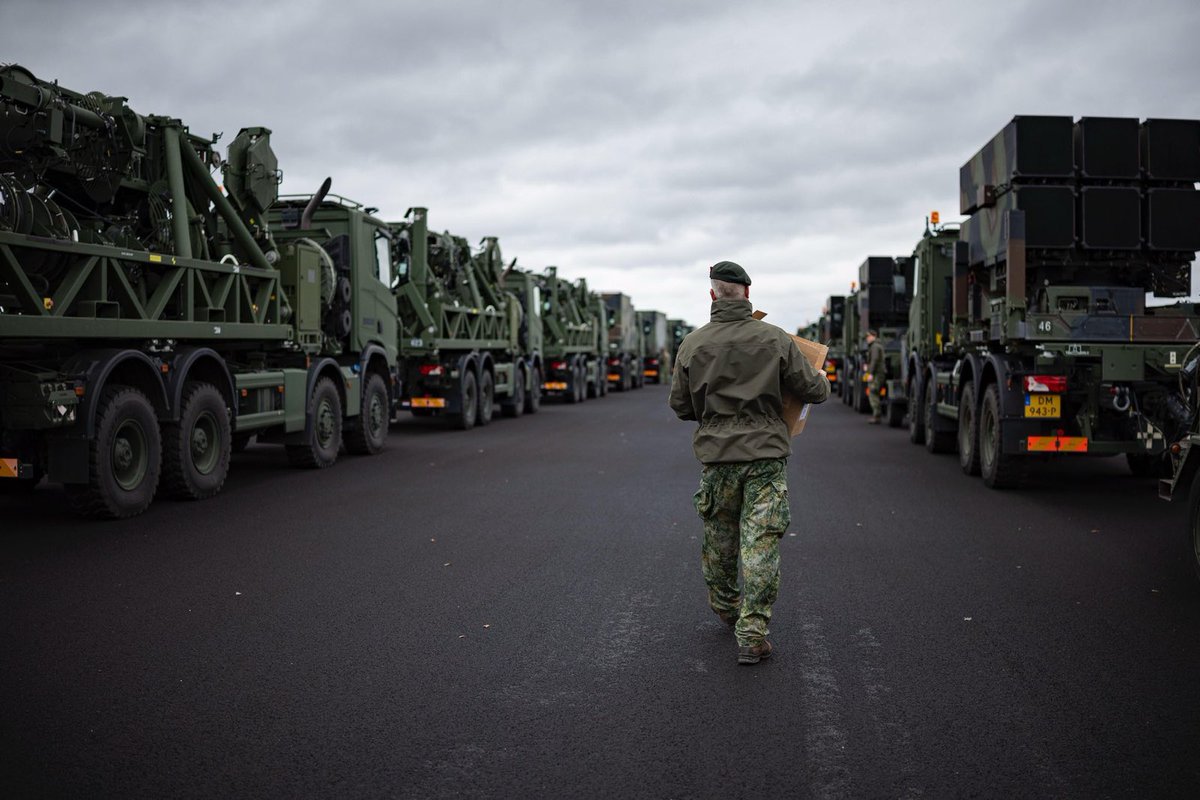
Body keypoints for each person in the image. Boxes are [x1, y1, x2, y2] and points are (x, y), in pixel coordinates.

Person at [668, 261, 830, 665]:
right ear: (747, 292)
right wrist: (823, 380)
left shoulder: (692, 344)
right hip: (765, 457)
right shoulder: (775, 339)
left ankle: (727, 607)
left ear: (712, 295)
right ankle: (753, 634)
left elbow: (681, 406)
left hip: (718, 459)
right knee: (761, 542)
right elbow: (813, 390)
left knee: (720, 537)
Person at [865, 329, 884, 424]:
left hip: (877, 374)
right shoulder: (876, 346)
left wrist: (871, 373)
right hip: (878, 373)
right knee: (874, 392)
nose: (867, 338)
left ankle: (877, 416)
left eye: (868, 336)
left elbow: (874, 360)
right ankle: (877, 415)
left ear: (874, 336)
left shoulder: (875, 347)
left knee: (873, 392)